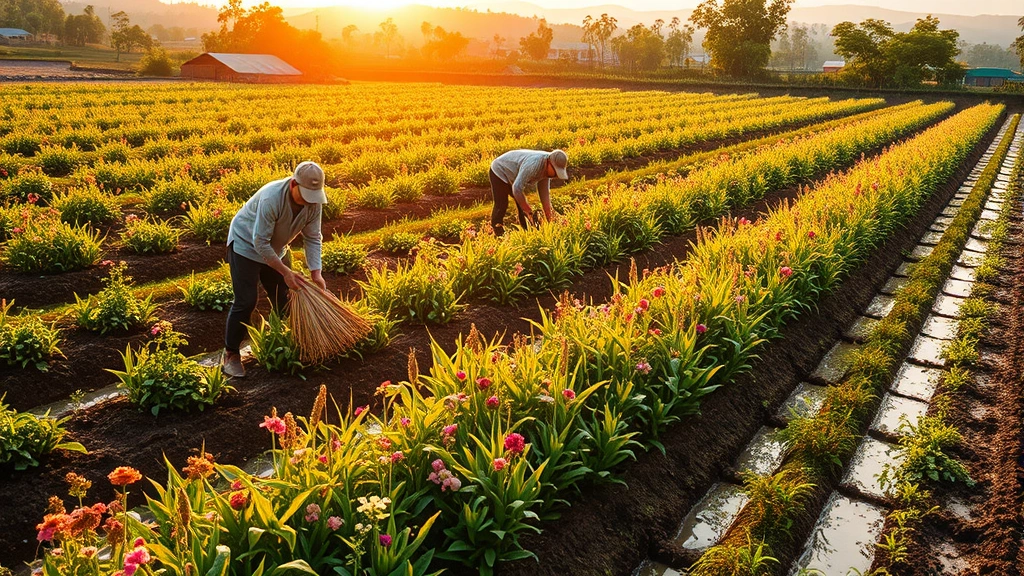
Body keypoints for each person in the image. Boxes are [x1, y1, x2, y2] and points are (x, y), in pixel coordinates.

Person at [221, 161, 329, 378]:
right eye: (306, 193)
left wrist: (316, 272)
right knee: (246, 301)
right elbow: (260, 242)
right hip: (245, 245)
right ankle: (231, 353)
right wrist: (286, 272)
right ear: (293, 184)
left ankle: (283, 339)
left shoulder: (313, 204)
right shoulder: (272, 198)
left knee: (284, 297)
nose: (309, 200)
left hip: (277, 249)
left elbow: (313, 237)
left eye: (313, 195)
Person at [489, 149, 568, 236]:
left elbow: (544, 193)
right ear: (549, 162)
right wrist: (527, 209)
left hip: (514, 176)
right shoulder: (533, 165)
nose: (556, 176)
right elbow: (516, 188)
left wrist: (549, 217)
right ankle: (498, 232)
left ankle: (528, 233)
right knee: (502, 204)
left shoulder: (547, 169)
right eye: (556, 171)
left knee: (522, 204)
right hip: (500, 170)